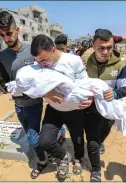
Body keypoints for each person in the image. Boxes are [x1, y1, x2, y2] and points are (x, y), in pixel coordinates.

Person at [0, 11, 46, 179]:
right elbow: (5, 81)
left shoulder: (33, 51)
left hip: (34, 104)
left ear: (18, 30)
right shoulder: (1, 57)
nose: (6, 38)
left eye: (9, 33)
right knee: (30, 131)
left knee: (32, 138)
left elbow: (46, 76)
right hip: (18, 105)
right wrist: (9, 88)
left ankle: (43, 161)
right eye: (2, 35)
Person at [31, 34, 93, 179]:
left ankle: (78, 158)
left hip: (74, 110)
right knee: (45, 141)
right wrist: (46, 93)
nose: (41, 64)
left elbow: (85, 83)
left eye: (44, 60)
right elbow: (33, 85)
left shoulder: (73, 61)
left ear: (53, 50)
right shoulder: (38, 64)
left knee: (77, 139)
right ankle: (64, 156)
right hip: (54, 109)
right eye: (38, 61)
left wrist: (89, 98)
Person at [85, 29, 126, 181]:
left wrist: (116, 93)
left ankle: (100, 143)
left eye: (109, 47)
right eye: (101, 48)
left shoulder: (120, 66)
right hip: (90, 110)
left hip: (109, 111)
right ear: (93, 46)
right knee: (92, 143)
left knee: (101, 136)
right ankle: (96, 170)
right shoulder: (84, 62)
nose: (106, 52)